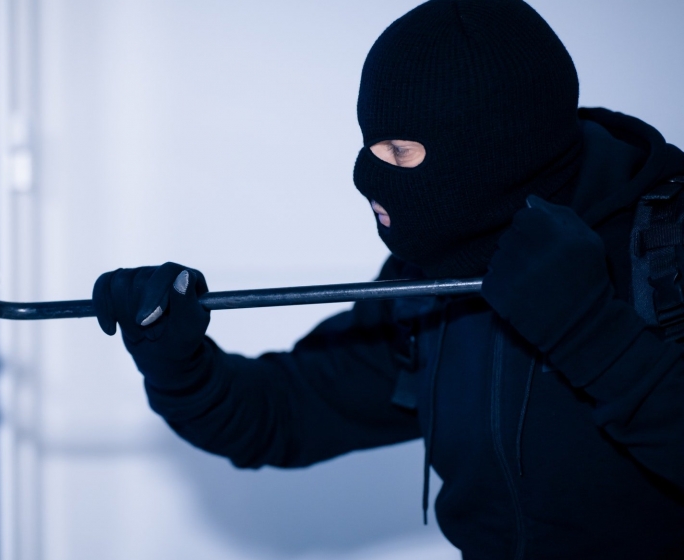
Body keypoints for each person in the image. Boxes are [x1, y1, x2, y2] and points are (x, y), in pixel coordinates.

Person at [91, 0, 684, 557]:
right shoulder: (433, 272)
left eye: (399, 151)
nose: (365, 177)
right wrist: (177, 359)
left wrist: (593, 336)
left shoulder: (664, 246)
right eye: (369, 144)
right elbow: (284, 414)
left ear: (491, 149)